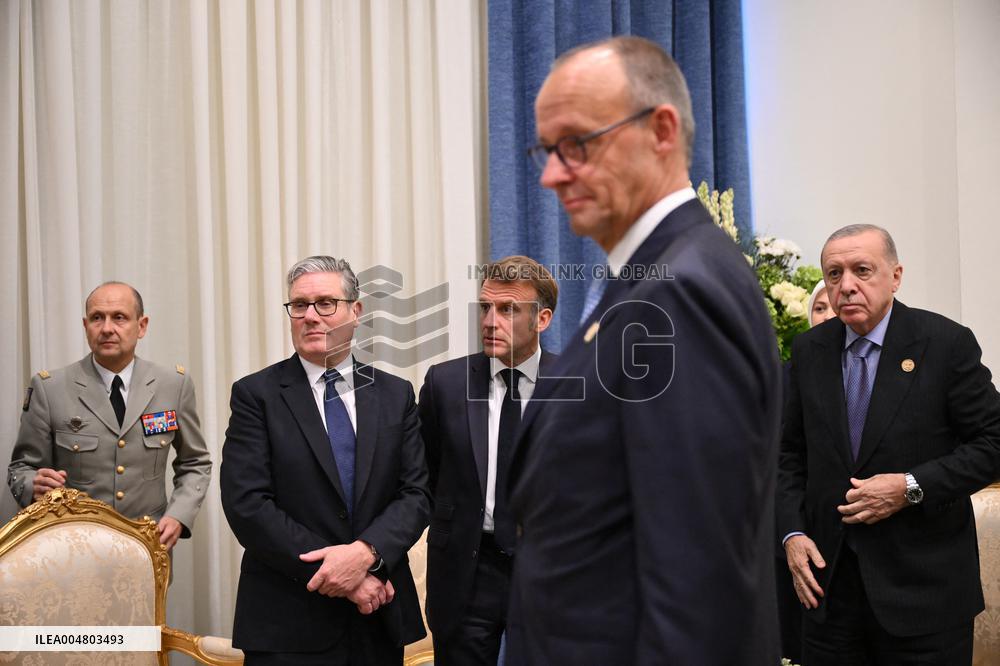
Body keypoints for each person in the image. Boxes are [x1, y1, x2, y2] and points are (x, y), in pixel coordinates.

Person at [507, 36, 782, 664]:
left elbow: (698, 581)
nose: (551, 174)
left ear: (660, 130)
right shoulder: (651, 281)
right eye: (547, 151)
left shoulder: (681, 293)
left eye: (576, 145)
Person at [778, 224, 1000, 665]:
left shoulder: (945, 343)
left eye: (862, 270)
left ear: (895, 276)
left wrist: (910, 486)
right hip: (829, 593)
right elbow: (788, 456)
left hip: (923, 597)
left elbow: (993, 442)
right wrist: (792, 532)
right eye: (834, 274)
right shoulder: (808, 352)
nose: (847, 286)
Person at [220, 256, 430, 665]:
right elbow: (247, 504)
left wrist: (367, 554)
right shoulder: (256, 395)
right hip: (288, 621)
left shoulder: (394, 394)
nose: (310, 316)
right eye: (299, 305)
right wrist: (343, 575)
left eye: (325, 304)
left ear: (356, 311)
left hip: (377, 613)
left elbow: (417, 493)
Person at [419, 255, 558, 665]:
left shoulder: (579, 384)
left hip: (546, 572)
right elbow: (422, 478)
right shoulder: (445, 384)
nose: (489, 321)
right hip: (467, 571)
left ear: (542, 319)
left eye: (508, 309)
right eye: (485, 307)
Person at [7, 282, 211, 550]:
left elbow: (195, 462)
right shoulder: (50, 388)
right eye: (96, 318)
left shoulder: (172, 385)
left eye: (119, 317)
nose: (106, 328)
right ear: (85, 326)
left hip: (147, 547)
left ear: (142, 326)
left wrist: (178, 515)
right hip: (72, 549)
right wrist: (32, 483)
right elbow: (20, 468)